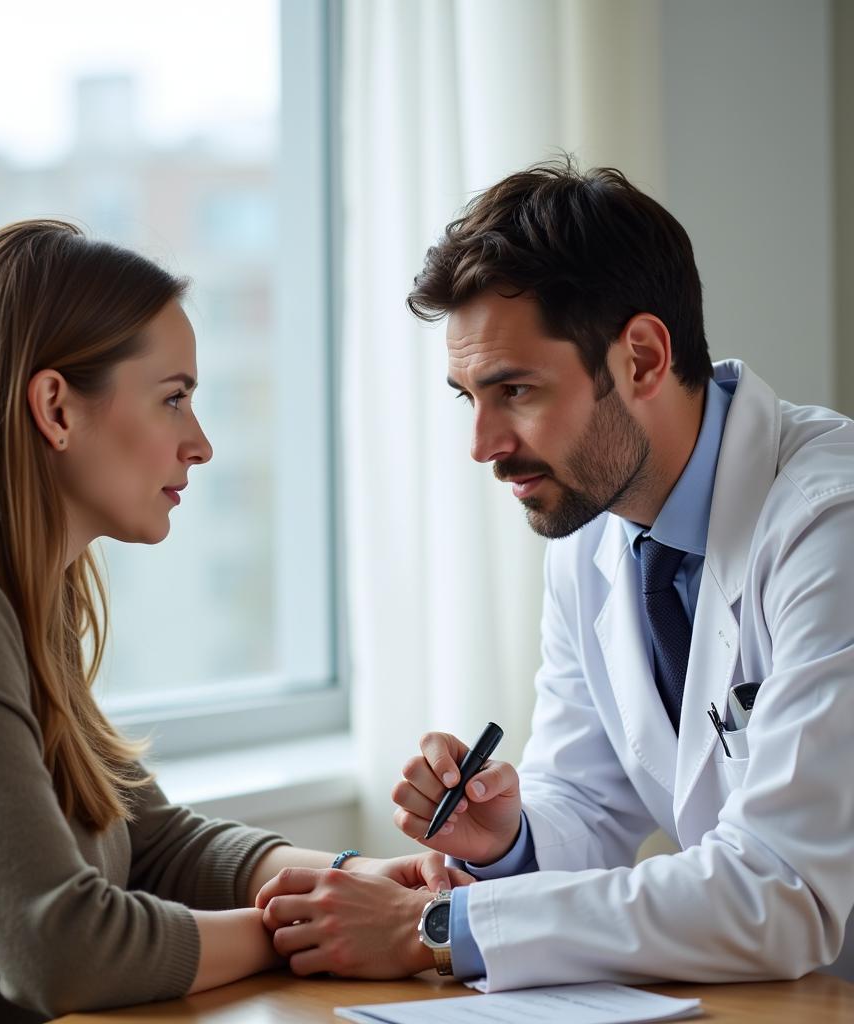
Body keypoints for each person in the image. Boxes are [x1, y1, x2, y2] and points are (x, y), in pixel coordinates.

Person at [0, 220, 468, 1024]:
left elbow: (151, 841)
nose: (199, 445)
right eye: (173, 399)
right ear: (56, 408)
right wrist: (316, 932)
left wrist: (356, 877)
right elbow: (59, 950)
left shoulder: (15, 595)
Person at [257, 160, 854, 988]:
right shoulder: (590, 528)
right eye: (469, 396)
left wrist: (439, 926)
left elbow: (780, 890)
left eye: (516, 389)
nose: (484, 445)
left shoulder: (832, 523)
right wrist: (509, 839)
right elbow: (590, 800)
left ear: (642, 358)